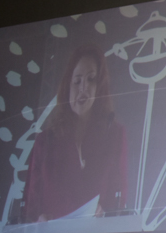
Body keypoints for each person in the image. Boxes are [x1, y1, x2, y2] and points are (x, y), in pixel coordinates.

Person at [20, 44, 128, 223]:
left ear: (100, 87)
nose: (83, 88)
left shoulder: (115, 135)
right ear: (67, 87)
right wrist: (39, 221)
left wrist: (106, 213)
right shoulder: (45, 141)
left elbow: (119, 201)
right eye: (77, 81)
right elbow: (29, 209)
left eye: (91, 79)